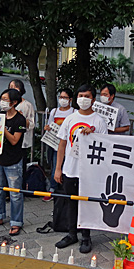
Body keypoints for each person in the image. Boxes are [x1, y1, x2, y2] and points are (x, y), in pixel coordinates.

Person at [54, 84, 107, 253]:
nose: (83, 99)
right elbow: (62, 144)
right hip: (70, 169)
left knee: (86, 204)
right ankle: (71, 233)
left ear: (93, 99)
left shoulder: (99, 121)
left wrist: (92, 135)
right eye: (80, 96)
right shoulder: (70, 119)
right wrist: (58, 168)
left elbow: (105, 146)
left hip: (89, 171)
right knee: (71, 201)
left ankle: (86, 236)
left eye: (87, 96)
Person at [0, 89, 27, 236]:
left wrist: (2, 129)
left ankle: (16, 222)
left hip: (13, 161)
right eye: (1, 99)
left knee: (15, 194)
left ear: (14, 102)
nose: (2, 102)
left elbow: (15, 140)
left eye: (5, 99)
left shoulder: (20, 119)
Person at [43, 88, 75, 201]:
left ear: (70, 99)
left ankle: (58, 189)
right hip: (54, 142)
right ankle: (54, 188)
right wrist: (47, 128)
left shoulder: (74, 112)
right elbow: (49, 125)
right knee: (55, 165)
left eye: (65, 97)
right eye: (61, 97)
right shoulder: (54, 111)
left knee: (64, 166)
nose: (62, 100)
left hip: (67, 144)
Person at [9, 79, 35, 178]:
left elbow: (31, 124)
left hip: (22, 142)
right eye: (10, 87)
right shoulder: (7, 104)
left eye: (14, 87)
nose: (11, 89)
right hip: (8, 140)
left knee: (20, 167)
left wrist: (21, 118)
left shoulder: (27, 105)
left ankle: (21, 184)